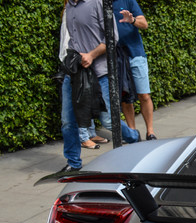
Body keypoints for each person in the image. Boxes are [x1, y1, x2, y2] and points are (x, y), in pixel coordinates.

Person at [60, 0, 140, 173]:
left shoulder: (98, 3)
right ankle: (73, 163)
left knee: (108, 120)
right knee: (68, 121)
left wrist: (91, 55)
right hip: (75, 72)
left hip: (99, 72)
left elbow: (113, 37)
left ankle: (134, 138)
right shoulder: (69, 6)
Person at [113, 0, 157, 140]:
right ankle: (133, 133)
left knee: (144, 95)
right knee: (126, 97)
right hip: (117, 56)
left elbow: (144, 24)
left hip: (135, 54)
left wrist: (132, 20)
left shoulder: (128, 1)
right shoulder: (101, 4)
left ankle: (150, 131)